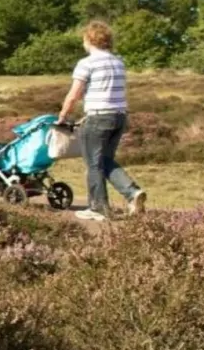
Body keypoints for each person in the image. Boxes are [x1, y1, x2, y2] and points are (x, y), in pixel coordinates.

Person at [58, 20, 148, 222]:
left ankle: (98, 208)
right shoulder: (118, 62)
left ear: (89, 39)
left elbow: (74, 95)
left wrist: (63, 115)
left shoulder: (87, 63)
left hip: (98, 118)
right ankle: (132, 192)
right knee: (105, 160)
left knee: (94, 164)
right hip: (119, 116)